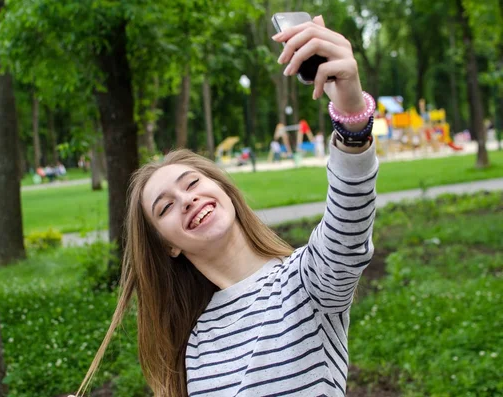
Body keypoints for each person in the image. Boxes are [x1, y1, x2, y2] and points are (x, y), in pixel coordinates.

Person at [74, 15, 378, 397]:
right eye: (165, 208)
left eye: (192, 183)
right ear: (168, 245)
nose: (187, 200)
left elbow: (350, 210)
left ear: (225, 192)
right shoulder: (194, 345)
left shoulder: (308, 282)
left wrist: (353, 118)